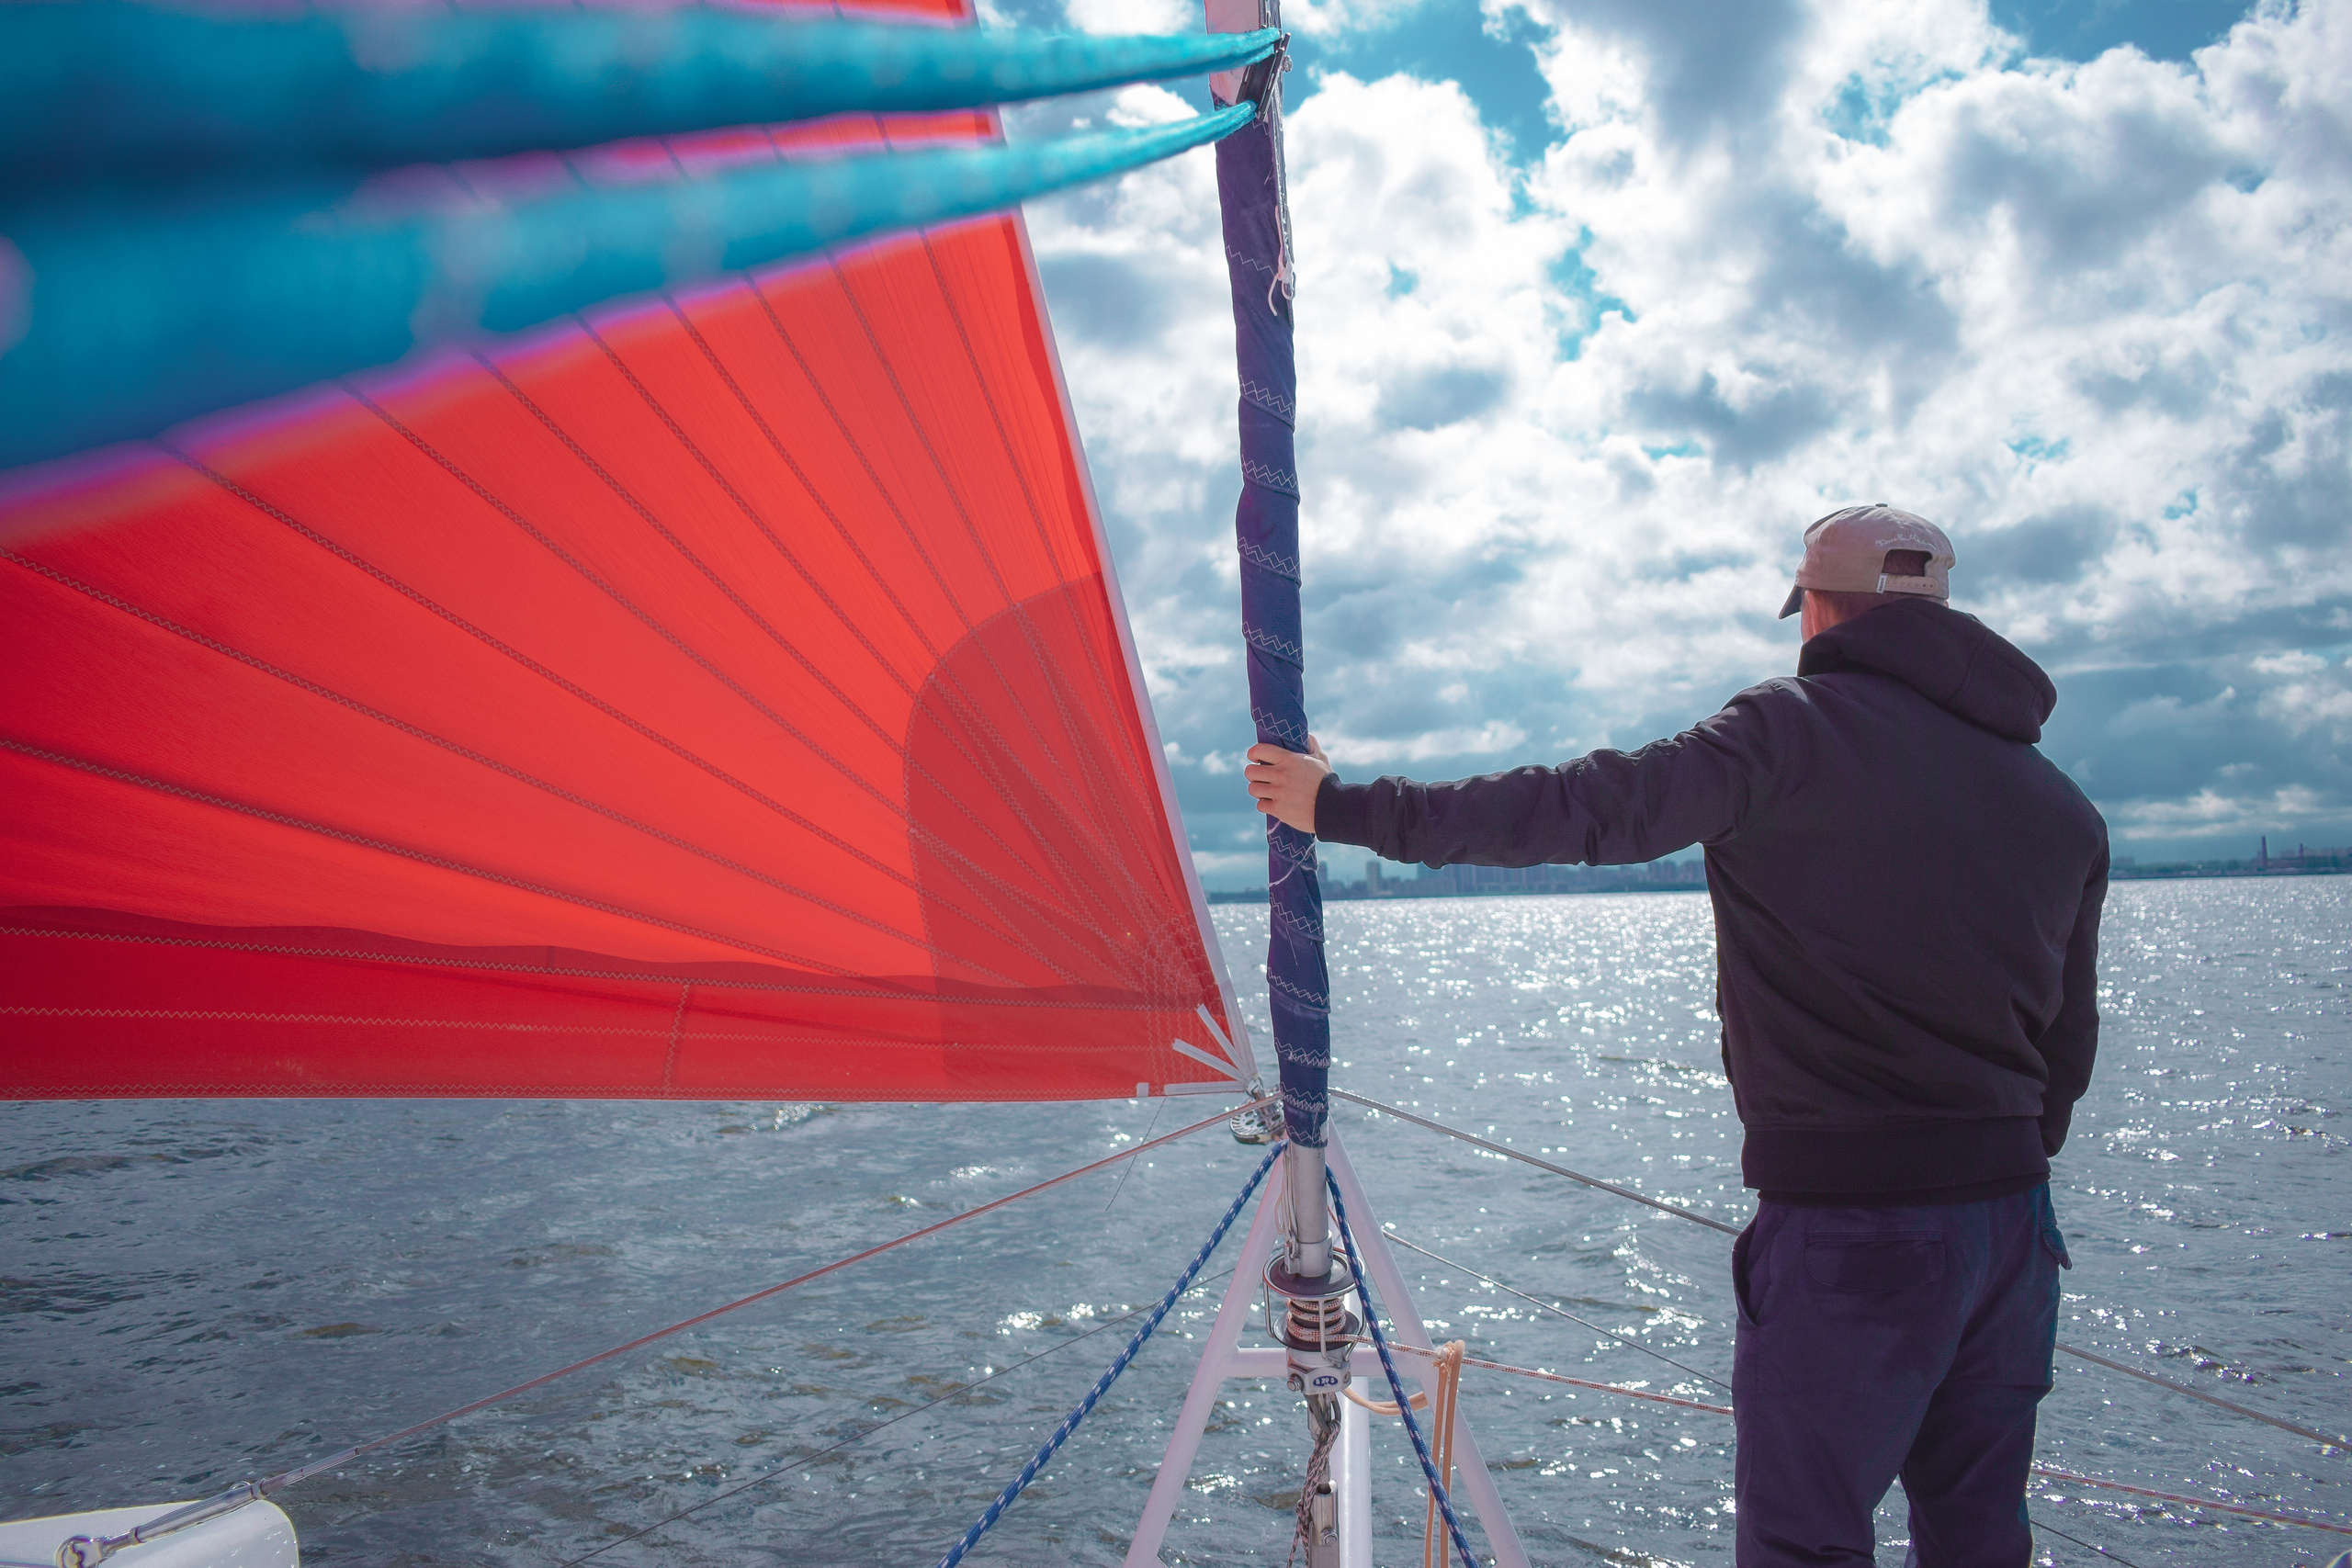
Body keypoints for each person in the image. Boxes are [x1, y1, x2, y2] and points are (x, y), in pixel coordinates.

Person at [1243, 504, 2108, 1567]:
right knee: (1978, 1537)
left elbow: (1587, 808)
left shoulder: (1791, 731)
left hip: (1855, 1230)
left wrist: (1346, 808)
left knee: (1806, 1541)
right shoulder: (2058, 803)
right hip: (2013, 1232)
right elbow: (2067, 1047)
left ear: (1819, 609)